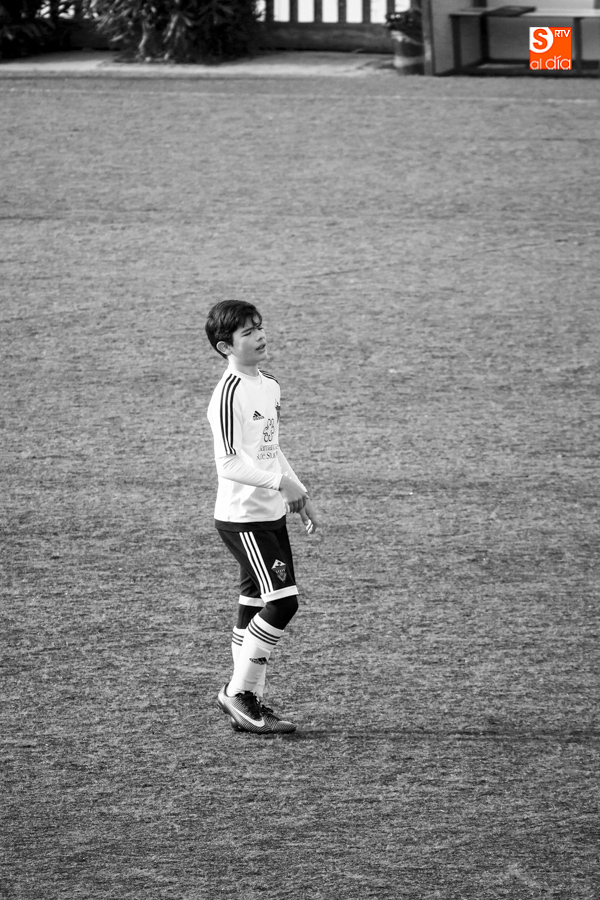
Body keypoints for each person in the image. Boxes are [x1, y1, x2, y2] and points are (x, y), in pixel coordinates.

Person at [205, 300, 318, 735]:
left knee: (253, 602)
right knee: (283, 602)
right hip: (243, 517)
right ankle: (239, 693)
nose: (260, 336)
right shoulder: (228, 393)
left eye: (260, 327)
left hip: (269, 513)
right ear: (225, 346)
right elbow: (229, 463)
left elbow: (270, 449)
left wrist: (298, 492)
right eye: (248, 332)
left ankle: (245, 701)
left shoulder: (268, 384)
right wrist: (280, 484)